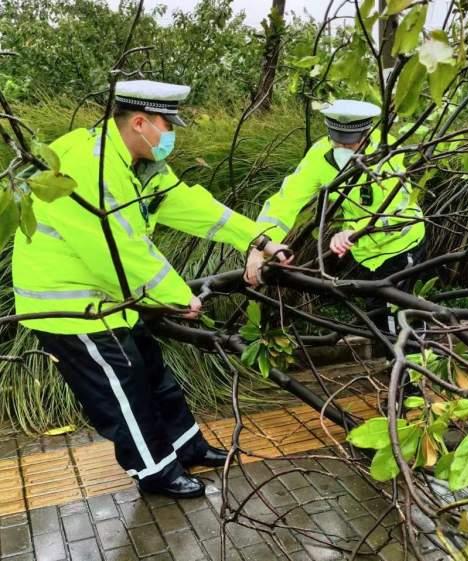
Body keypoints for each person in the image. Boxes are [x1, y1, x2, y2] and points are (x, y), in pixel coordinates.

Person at [12, 80, 291, 499]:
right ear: (140, 122)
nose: (174, 135)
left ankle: (187, 447)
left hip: (110, 298)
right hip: (70, 307)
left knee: (153, 372)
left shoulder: (136, 161)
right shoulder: (87, 167)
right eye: (169, 125)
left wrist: (257, 238)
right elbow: (119, 251)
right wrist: (177, 296)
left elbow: (191, 205)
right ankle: (155, 471)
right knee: (123, 391)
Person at [244, 99, 426, 334]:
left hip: (401, 246)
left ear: (367, 133)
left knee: (400, 317)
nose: (344, 148)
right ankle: (399, 364)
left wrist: (355, 231)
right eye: (338, 140)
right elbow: (284, 202)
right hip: (364, 252)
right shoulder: (320, 155)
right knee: (380, 317)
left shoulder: (387, 153)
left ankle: (413, 366)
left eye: (351, 143)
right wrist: (259, 247)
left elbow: (403, 213)